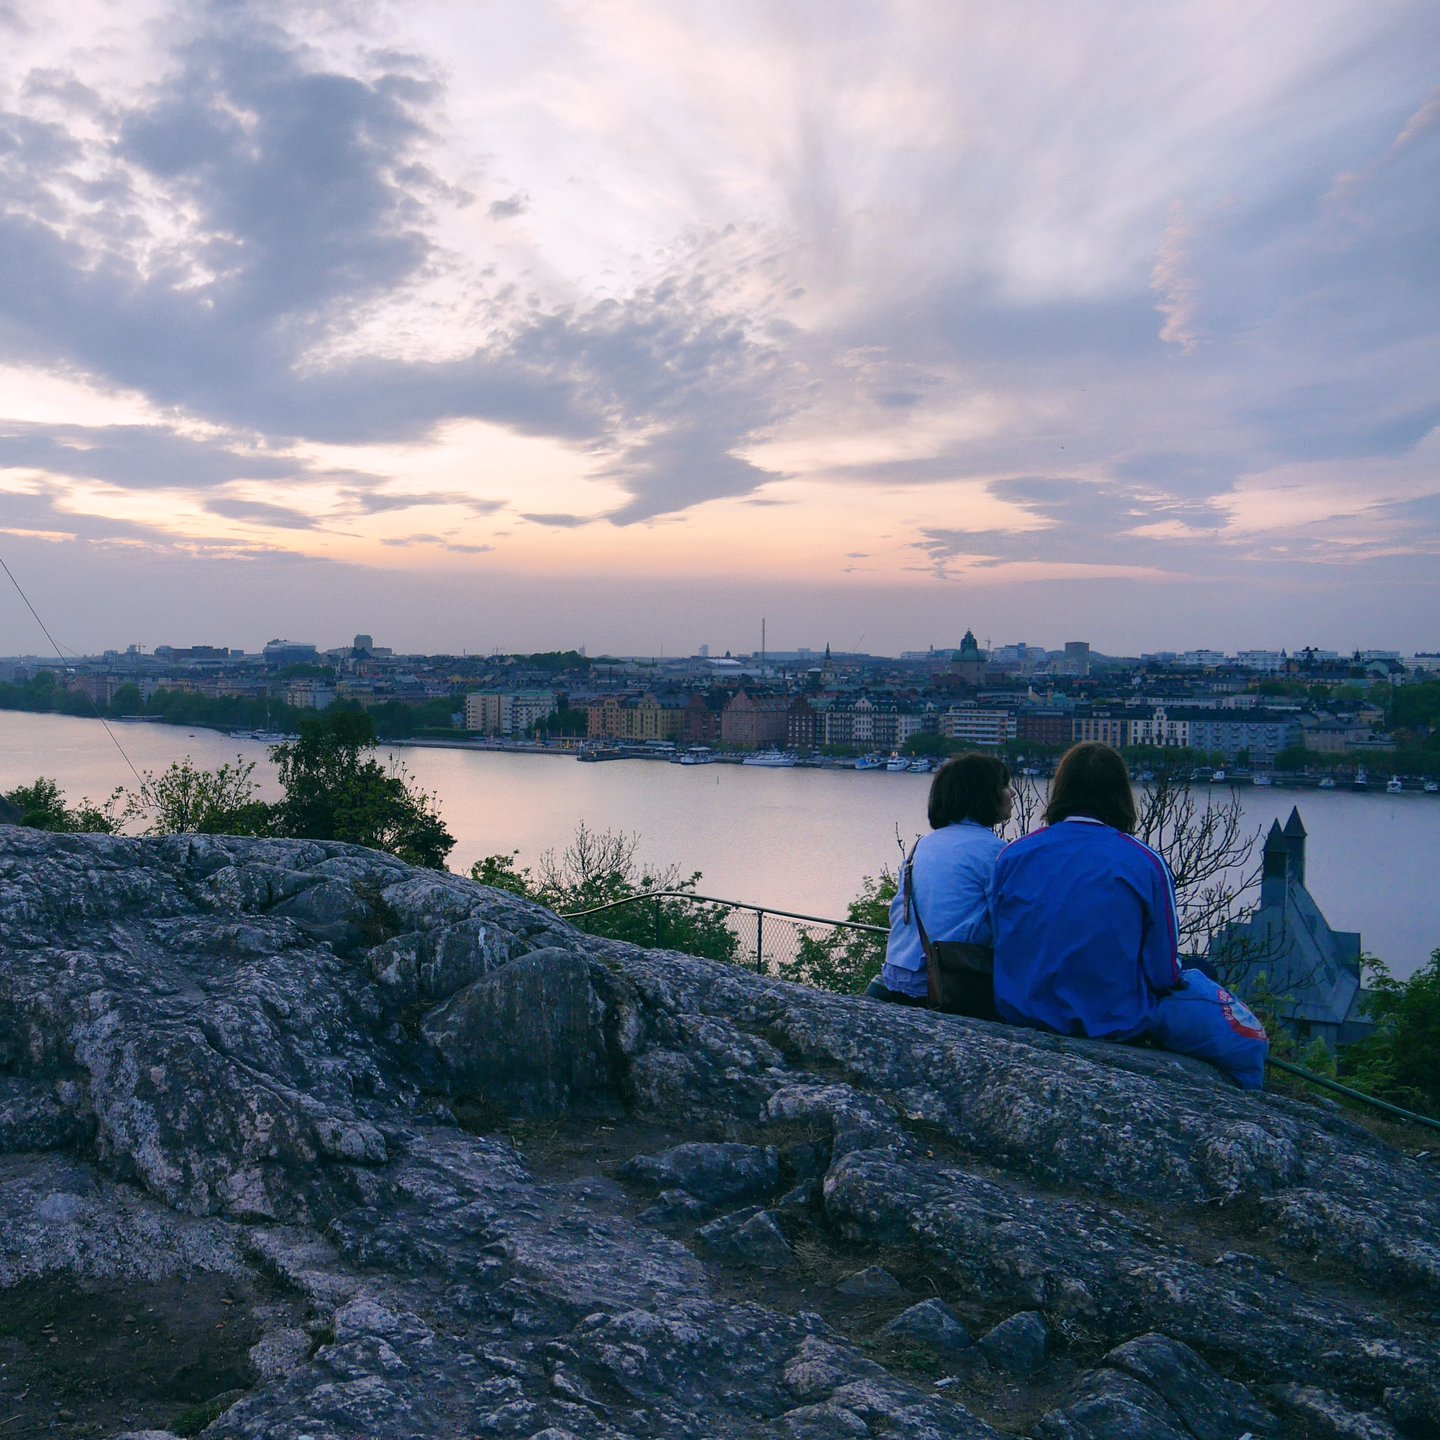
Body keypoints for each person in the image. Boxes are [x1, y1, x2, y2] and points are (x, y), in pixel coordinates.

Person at [989, 742, 1267, 1087]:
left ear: (1060, 791)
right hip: (1111, 1023)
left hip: (1021, 1011)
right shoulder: (1146, 862)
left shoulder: (1014, 854)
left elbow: (998, 937)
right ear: (1122, 796)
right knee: (1211, 986)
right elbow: (1164, 973)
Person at [869, 752, 1012, 1007]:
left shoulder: (922, 846)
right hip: (946, 981)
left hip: (896, 972)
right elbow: (1006, 927)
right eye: (1004, 786)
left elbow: (899, 912)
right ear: (983, 795)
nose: (1012, 793)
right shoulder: (996, 852)